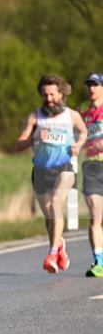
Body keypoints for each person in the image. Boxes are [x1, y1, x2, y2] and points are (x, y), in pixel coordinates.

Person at [14, 74, 87, 273]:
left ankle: (53, 252)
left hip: (65, 167)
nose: (49, 99)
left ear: (61, 93)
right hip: (40, 170)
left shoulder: (71, 115)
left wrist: (78, 145)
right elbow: (17, 145)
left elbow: (83, 131)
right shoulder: (35, 116)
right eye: (45, 95)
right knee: (50, 217)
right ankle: (59, 245)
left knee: (56, 203)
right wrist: (35, 138)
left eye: (52, 94)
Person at [80, 72, 103, 277]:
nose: (91, 88)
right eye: (89, 85)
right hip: (91, 168)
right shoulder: (82, 113)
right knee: (95, 216)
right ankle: (99, 262)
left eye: (95, 85)